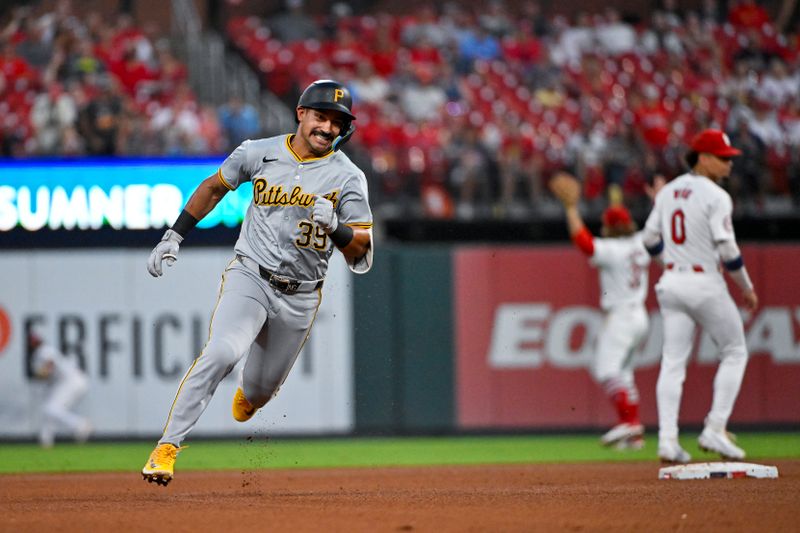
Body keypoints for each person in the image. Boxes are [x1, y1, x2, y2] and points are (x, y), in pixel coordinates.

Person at [141, 79, 374, 486]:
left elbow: (363, 249)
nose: (328, 128)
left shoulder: (348, 177)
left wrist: (336, 227)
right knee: (221, 352)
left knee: (260, 393)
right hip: (251, 274)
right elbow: (215, 186)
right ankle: (167, 447)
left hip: (301, 296)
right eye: (321, 117)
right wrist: (174, 235)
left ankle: (252, 394)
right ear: (301, 113)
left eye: (337, 123)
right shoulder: (258, 152)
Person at [642, 129, 758, 463]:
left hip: (672, 282)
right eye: (723, 158)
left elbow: (649, 239)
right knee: (735, 351)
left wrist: (671, 263)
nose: (729, 164)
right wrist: (746, 287)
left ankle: (667, 441)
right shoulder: (716, 196)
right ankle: (715, 428)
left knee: (673, 362)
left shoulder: (668, 192)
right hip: (704, 282)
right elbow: (727, 248)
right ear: (703, 158)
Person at [550, 172, 650, 450]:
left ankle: (629, 423)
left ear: (608, 227)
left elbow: (583, 241)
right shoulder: (641, 243)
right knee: (624, 373)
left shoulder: (613, 249)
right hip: (639, 316)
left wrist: (571, 209)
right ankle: (635, 436)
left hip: (621, 316)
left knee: (606, 370)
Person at [29, 333, 92, 448]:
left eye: (34, 340)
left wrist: (39, 374)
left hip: (72, 382)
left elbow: (49, 366)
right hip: (68, 382)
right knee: (50, 409)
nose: (33, 343)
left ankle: (80, 424)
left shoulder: (44, 350)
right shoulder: (41, 352)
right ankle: (46, 440)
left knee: (51, 408)